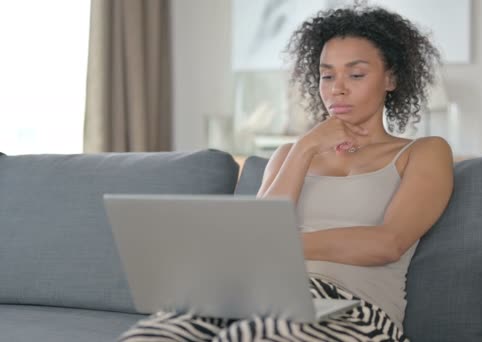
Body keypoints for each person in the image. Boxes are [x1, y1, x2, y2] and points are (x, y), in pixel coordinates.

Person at [120, 4, 453, 342]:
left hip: (353, 310)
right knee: (154, 333)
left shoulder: (423, 152)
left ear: (391, 78)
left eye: (355, 74)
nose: (337, 88)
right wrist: (305, 148)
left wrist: (279, 245)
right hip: (251, 293)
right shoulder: (289, 155)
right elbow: (255, 235)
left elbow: (387, 243)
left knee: (253, 335)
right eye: (326, 75)